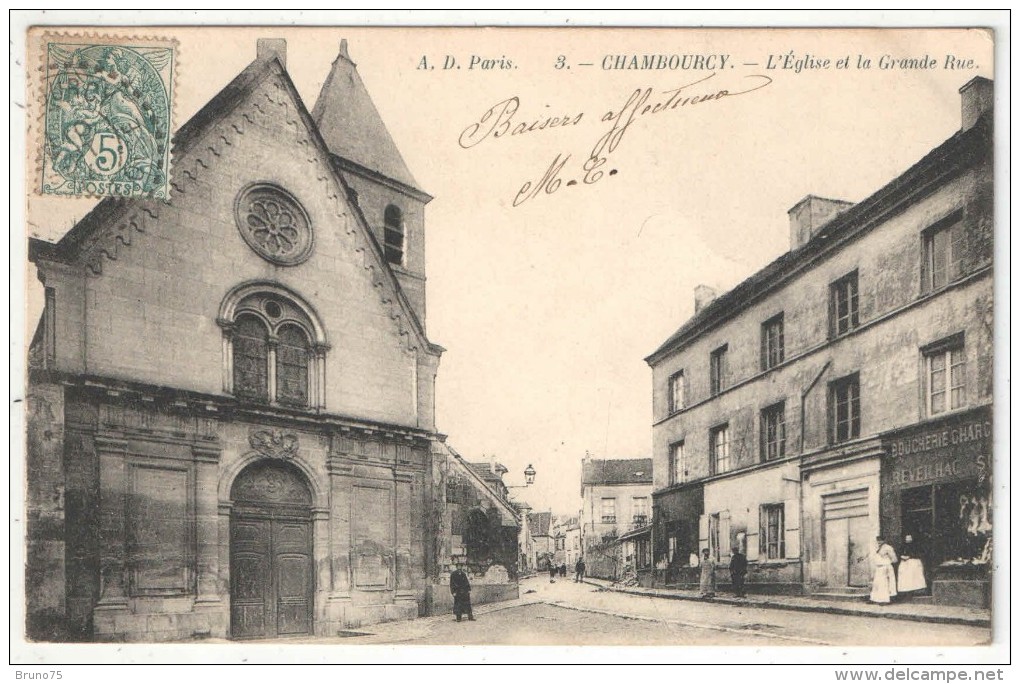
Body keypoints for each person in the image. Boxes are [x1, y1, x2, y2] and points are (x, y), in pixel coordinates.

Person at [869, 535, 898, 605]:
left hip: (885, 568)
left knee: (884, 584)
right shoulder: (876, 548)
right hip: (878, 568)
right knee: (876, 584)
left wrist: (886, 563)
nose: (879, 542)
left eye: (881, 540)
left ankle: (885, 600)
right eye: (878, 540)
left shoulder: (888, 548)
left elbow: (894, 559)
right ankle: (874, 599)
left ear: (884, 541)